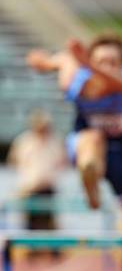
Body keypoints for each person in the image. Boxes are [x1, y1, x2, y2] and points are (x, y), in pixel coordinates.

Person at [26, 32, 122, 271]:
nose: (105, 67)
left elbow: (120, 85)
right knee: (93, 138)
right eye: (100, 61)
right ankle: (91, 178)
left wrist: (86, 63)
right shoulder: (80, 75)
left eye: (112, 62)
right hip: (84, 144)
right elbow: (62, 62)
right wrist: (42, 62)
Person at [7, 109, 66, 259]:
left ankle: (54, 252)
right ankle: (32, 252)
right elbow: (14, 160)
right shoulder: (24, 141)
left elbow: (62, 162)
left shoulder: (55, 141)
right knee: (30, 222)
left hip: (48, 187)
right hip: (29, 188)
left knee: (50, 221)